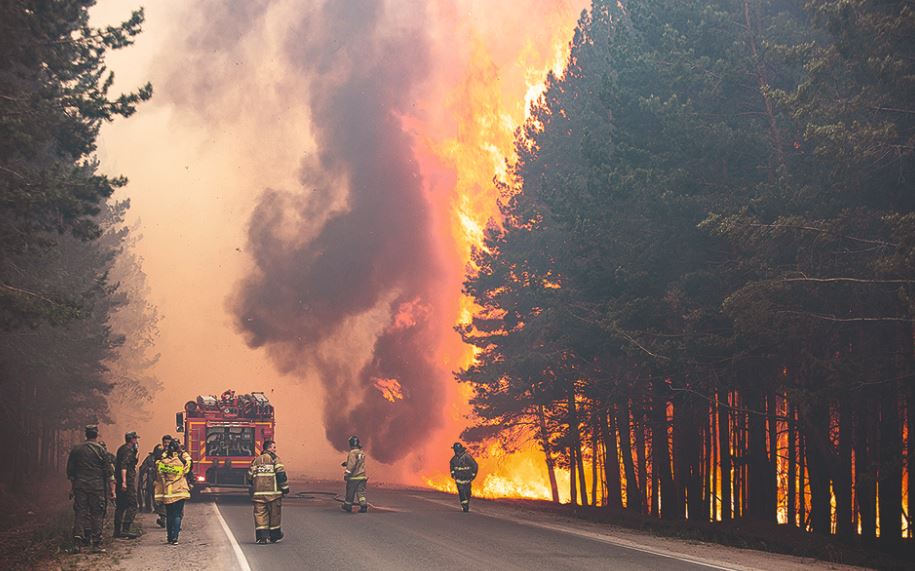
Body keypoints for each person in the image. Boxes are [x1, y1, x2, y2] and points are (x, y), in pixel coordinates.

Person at [66, 425, 115, 553]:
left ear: (86, 434)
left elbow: (71, 471)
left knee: (80, 513)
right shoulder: (101, 450)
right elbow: (108, 472)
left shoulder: (76, 450)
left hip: (80, 486)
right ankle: (96, 544)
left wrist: (73, 488)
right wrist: (112, 491)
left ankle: (77, 543)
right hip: (97, 487)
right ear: (96, 434)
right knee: (97, 514)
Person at [246, 440, 289, 544]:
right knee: (274, 515)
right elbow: (281, 475)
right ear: (268, 448)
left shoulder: (256, 460)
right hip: (273, 494)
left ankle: (262, 538)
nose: (275, 449)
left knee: (260, 515)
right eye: (274, 447)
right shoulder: (275, 460)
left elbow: (249, 477)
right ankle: (274, 536)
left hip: (258, 495)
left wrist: (255, 487)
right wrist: (285, 489)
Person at [155, 439, 191, 545]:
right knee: (177, 515)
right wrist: (182, 453)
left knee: (169, 515)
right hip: (180, 491)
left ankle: (169, 537)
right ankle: (175, 538)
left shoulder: (163, 463)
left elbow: (159, 475)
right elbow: (188, 466)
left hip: (168, 491)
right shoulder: (182, 462)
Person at [114, 432, 140, 539]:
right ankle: (125, 529)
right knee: (133, 505)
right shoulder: (127, 451)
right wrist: (124, 482)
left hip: (121, 481)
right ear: (132, 440)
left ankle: (117, 531)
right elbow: (124, 466)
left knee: (121, 505)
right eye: (135, 439)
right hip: (127, 482)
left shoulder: (122, 449)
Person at [341, 435, 367, 513]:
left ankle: (348, 506)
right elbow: (358, 462)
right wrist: (346, 463)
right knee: (361, 492)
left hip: (354, 477)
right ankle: (363, 505)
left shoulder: (352, 452)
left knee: (350, 492)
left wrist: (347, 474)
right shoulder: (361, 452)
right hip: (362, 476)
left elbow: (352, 465)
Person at [449, 442, 478, 512]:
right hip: (459, 479)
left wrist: (473, 474)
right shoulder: (453, 459)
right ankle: (465, 506)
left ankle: (466, 502)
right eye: (455, 450)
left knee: (468, 492)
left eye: (457, 450)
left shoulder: (467, 457)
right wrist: (453, 473)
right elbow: (452, 467)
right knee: (461, 492)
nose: (456, 452)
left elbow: (474, 465)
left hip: (467, 478)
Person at [151, 435, 172, 527]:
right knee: (160, 500)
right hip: (160, 480)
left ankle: (169, 520)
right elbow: (154, 466)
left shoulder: (174, 453)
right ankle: (163, 519)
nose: (166, 444)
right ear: (163, 443)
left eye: (168, 442)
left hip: (170, 481)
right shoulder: (158, 452)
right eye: (165, 442)